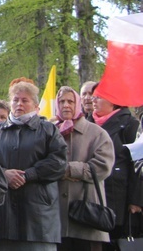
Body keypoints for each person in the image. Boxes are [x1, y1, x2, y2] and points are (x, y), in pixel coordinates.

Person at [0, 79, 68, 250]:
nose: (19, 103)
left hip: (38, 219)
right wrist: (4, 174)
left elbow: (58, 162)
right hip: (3, 217)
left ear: (35, 105)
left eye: (25, 100)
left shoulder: (48, 130)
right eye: (15, 99)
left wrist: (28, 175)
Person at [52, 86, 114, 251]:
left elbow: (102, 167)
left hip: (87, 218)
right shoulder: (49, 131)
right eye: (62, 101)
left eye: (70, 101)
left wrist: (70, 170)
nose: (66, 105)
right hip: (54, 219)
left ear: (77, 103)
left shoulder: (97, 133)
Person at [89, 91, 143, 249]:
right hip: (92, 196)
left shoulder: (129, 124)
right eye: (93, 96)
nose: (93, 100)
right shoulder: (88, 121)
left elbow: (137, 162)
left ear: (113, 101)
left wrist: (136, 199)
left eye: (98, 97)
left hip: (119, 195)